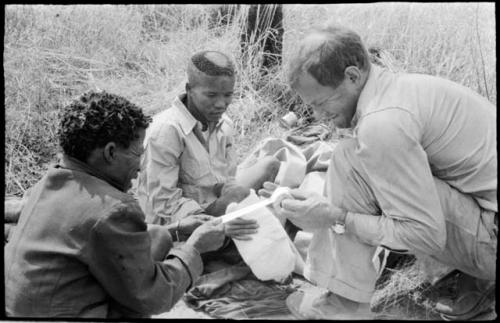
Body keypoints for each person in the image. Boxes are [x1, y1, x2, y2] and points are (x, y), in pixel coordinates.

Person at [263, 25, 496, 320]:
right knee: (354, 154)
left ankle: (344, 308)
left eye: (321, 103)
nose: (320, 116)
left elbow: (424, 235)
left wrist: (336, 217)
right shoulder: (397, 88)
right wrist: (317, 208)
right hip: (486, 217)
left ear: (352, 76)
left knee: (351, 159)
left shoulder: (381, 123)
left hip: (491, 239)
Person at [5, 91, 229, 318]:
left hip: (25, 311)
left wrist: (177, 228)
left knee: (159, 234)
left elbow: (90, 236)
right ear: (111, 152)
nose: (140, 167)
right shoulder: (113, 210)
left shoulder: (50, 183)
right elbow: (152, 297)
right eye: (136, 154)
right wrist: (195, 248)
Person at [136, 50, 279, 242]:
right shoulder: (166, 131)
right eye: (211, 95)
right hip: (184, 222)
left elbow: (227, 178)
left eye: (228, 95)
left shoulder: (224, 124)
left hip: (216, 204)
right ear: (189, 89)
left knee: (270, 164)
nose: (221, 104)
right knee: (248, 207)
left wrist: (230, 195)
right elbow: (164, 203)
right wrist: (213, 222)